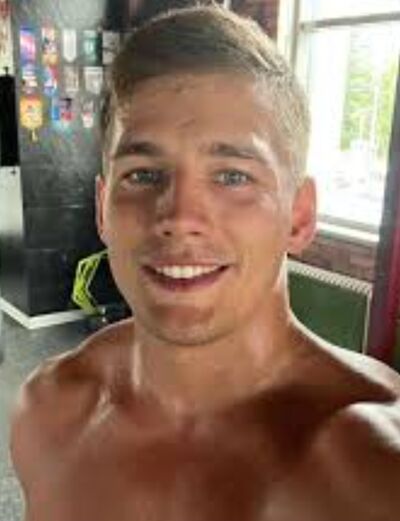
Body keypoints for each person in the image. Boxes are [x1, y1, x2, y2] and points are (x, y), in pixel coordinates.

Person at [10, 6, 400, 521]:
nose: (178, 218)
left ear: (299, 217)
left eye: (233, 176)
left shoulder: (376, 471)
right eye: (143, 174)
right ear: (102, 210)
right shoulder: (50, 409)